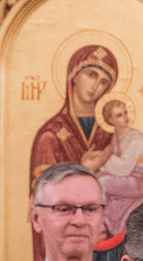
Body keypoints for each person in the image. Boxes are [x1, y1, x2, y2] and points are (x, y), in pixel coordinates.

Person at [30, 44, 117, 180]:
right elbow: (43, 191)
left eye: (103, 82)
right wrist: (84, 170)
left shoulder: (111, 134)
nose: (95, 86)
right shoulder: (51, 135)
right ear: (74, 75)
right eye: (91, 75)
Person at [90, 97, 143, 237]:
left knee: (102, 183)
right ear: (111, 120)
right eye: (119, 115)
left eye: (125, 113)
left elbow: (123, 168)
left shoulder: (136, 139)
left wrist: (103, 159)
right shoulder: (117, 136)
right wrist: (99, 170)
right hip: (131, 178)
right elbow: (117, 165)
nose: (125, 118)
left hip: (142, 183)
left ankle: (99, 224)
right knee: (97, 179)